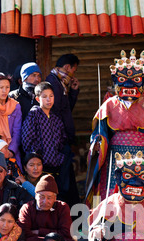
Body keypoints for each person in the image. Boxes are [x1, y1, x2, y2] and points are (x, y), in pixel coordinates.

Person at [85, 48, 144, 209]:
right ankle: (110, 221)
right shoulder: (110, 103)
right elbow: (100, 132)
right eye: (123, 79)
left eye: (135, 80)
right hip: (115, 153)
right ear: (116, 82)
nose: (129, 84)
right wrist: (97, 141)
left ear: (143, 81)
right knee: (115, 187)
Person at [17, 174, 86, 241]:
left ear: (55, 198)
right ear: (35, 196)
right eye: (41, 197)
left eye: (49, 198)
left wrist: (39, 231)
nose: (45, 201)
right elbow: (24, 232)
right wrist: (52, 233)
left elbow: (66, 232)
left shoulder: (62, 207)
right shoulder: (27, 208)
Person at [46, 53, 80, 206]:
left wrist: (73, 92)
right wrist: (61, 138)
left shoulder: (62, 84)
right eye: (74, 70)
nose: (73, 74)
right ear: (67, 67)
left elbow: (66, 110)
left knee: (68, 179)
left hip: (62, 139)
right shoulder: (52, 83)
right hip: (58, 141)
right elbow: (56, 113)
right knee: (63, 182)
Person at [21, 81, 67, 191]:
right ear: (37, 99)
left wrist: (59, 157)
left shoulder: (55, 119)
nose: (48, 99)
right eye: (44, 96)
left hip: (56, 165)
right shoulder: (33, 115)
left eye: (51, 96)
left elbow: (62, 140)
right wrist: (38, 158)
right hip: (40, 166)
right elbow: (27, 140)